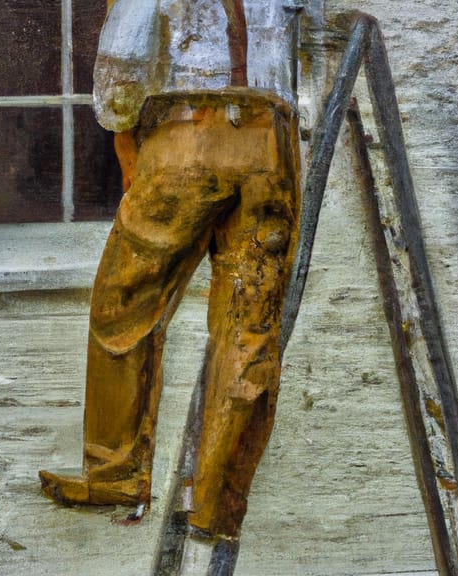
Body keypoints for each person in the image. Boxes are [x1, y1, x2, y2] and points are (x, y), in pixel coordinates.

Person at [40, 0, 304, 539]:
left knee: (125, 305)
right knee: (248, 326)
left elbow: (124, 57)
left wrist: (122, 128)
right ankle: (217, 507)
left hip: (188, 131)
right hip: (272, 140)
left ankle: (115, 473)